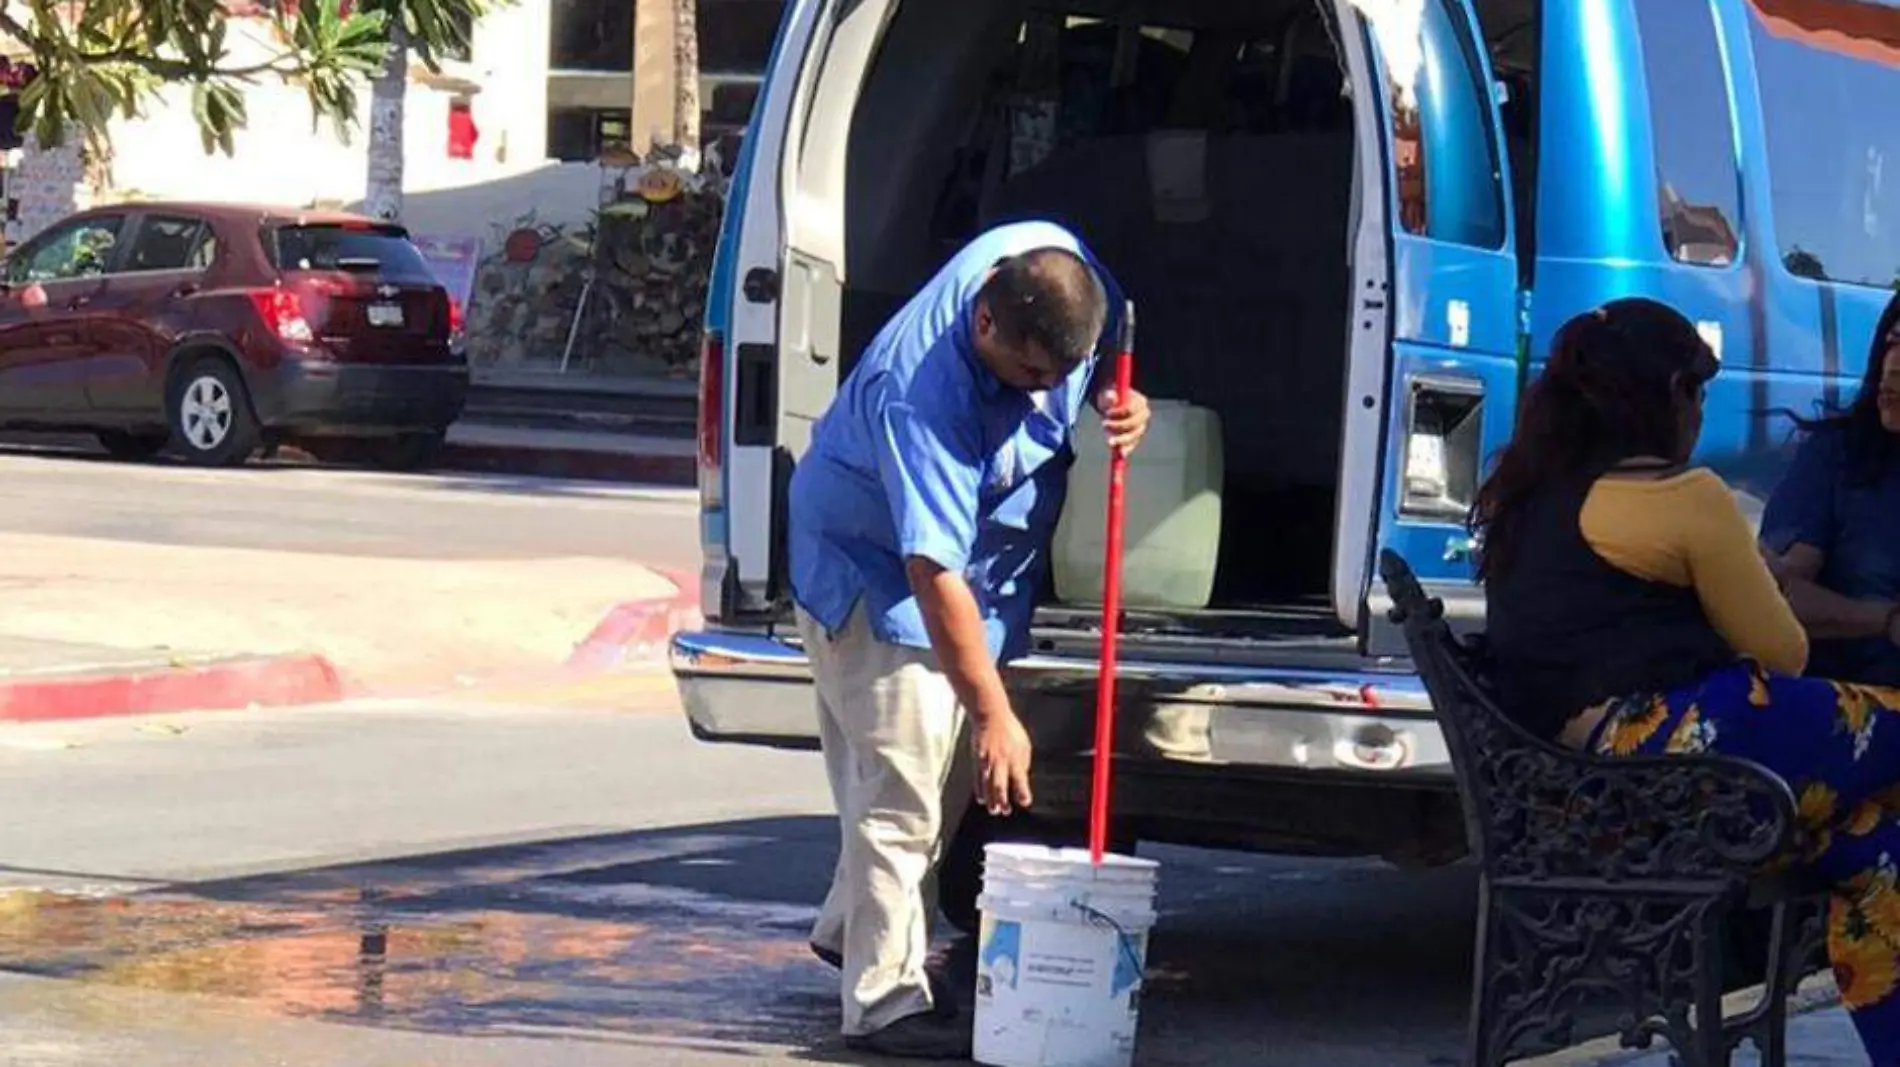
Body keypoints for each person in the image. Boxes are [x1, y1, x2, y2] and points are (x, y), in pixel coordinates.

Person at [1468, 297, 1900, 1063]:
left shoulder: (1533, 496)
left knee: (1878, 852)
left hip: (1585, 791)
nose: (1702, 412)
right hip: (1694, 761)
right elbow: (1785, 648)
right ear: (1667, 394)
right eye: (1698, 392)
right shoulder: (1686, 499)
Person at [786, 219, 1151, 1059]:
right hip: (876, 572)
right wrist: (993, 711)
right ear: (985, 322)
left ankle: (854, 931)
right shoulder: (926, 391)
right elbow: (932, 570)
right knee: (903, 790)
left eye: (1060, 374)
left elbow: (1100, 349)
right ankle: (883, 1001)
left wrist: (1115, 400)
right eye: (1031, 374)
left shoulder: (1059, 267)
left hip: (979, 573)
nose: (1042, 391)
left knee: (941, 782)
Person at [1760, 290, 1900, 687]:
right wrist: (1885, 620)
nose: (1893, 366)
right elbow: (1780, 595)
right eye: (1892, 340)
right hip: (1852, 699)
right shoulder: (1839, 455)